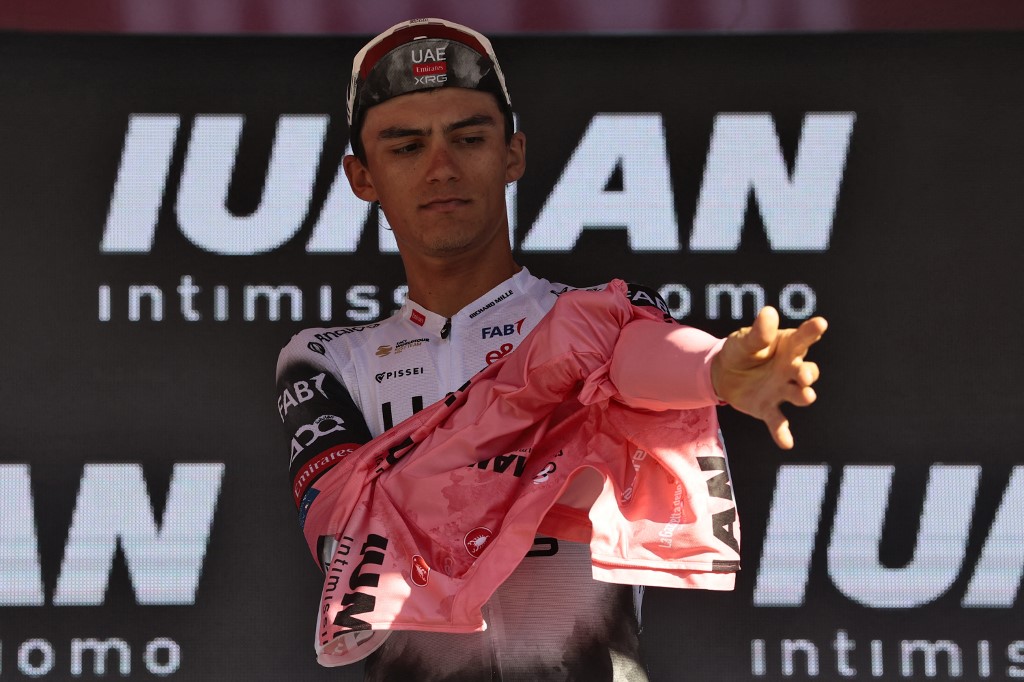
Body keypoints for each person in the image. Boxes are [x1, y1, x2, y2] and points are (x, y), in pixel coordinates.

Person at [276, 17, 826, 682]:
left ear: (513, 155)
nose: (442, 167)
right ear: (362, 176)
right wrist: (544, 387)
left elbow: (640, 356)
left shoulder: (596, 318)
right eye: (407, 145)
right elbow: (345, 526)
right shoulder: (324, 359)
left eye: (469, 138)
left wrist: (713, 370)